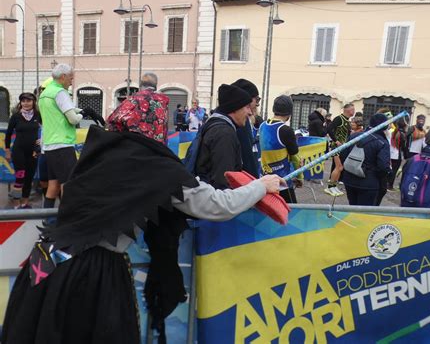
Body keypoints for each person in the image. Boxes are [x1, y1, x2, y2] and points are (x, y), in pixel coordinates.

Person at [0, 93, 284, 344]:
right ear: (156, 124)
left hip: (47, 258)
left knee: (41, 332)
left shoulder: (101, 150)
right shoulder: (155, 165)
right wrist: (261, 186)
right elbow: (216, 206)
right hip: (90, 273)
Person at [38, 64, 104, 210]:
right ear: (63, 77)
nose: (71, 81)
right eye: (71, 78)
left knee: (53, 186)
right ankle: (65, 224)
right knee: (68, 185)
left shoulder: (45, 93)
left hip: (49, 145)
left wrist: (85, 111)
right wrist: (85, 113)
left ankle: (47, 223)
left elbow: (65, 109)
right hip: (62, 145)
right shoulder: (60, 92)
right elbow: (73, 119)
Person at [195, 84, 252, 189]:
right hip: (216, 201)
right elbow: (223, 180)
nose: (250, 112)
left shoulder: (217, 126)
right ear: (235, 108)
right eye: (247, 107)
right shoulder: (224, 134)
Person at [340, 113, 391, 206]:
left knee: (352, 209)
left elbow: (343, 154)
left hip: (349, 180)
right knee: (364, 213)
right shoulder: (382, 142)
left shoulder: (354, 136)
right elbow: (383, 166)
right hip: (369, 183)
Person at [260, 95, 304, 203]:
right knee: (291, 214)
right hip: (282, 182)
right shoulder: (286, 130)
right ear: (289, 113)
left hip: (264, 179)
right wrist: (300, 177)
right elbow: (295, 158)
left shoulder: (262, 126)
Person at [4, 93, 42, 209]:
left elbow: (46, 128)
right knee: (20, 176)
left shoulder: (38, 115)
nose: (26, 103)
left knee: (29, 177)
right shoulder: (15, 116)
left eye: (29, 101)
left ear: (33, 102)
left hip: (33, 152)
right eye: (23, 101)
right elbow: (8, 134)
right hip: (18, 151)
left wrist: (42, 140)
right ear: (20, 103)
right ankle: (16, 203)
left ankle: (25, 202)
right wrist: (7, 151)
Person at [232, 78, 261, 178]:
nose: (257, 104)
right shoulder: (240, 125)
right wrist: (257, 184)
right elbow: (247, 158)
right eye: (256, 100)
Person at [325, 103, 355, 196]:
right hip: (336, 147)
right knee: (338, 167)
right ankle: (330, 187)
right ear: (348, 110)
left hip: (343, 147)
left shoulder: (347, 120)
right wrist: (336, 140)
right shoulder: (339, 118)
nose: (354, 112)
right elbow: (329, 129)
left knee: (340, 168)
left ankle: (334, 186)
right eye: (353, 110)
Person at [387, 119, 409, 191]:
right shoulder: (402, 134)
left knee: (389, 169)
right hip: (397, 155)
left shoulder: (391, 131)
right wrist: (406, 155)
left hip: (390, 153)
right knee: (394, 170)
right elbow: (404, 146)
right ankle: (390, 186)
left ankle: (386, 184)